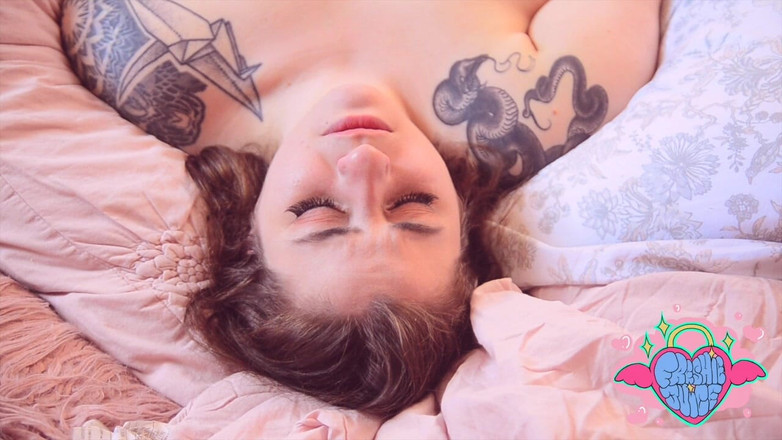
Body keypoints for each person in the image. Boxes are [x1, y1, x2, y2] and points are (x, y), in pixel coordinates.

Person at [60, 0, 661, 418]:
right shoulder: (543, 110)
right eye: (413, 203)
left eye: (316, 209)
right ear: (465, 223)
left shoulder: (146, 68)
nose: (365, 163)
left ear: (247, 239)